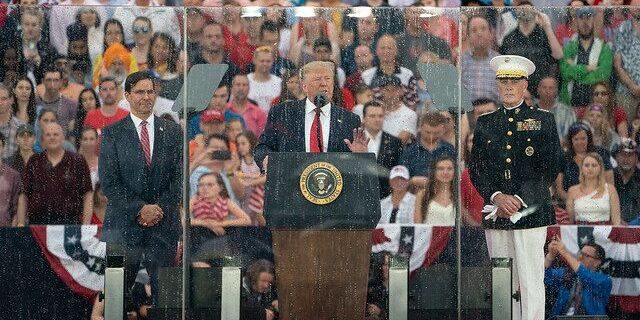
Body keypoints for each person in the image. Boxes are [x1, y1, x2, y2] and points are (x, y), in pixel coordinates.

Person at [469, 55, 562, 320]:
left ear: (525, 84)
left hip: (531, 211)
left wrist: (518, 199)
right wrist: (497, 197)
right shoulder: (486, 123)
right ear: (497, 85)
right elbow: (477, 168)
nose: (509, 86)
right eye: (503, 81)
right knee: (502, 279)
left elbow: (551, 166)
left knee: (531, 280)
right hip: (497, 212)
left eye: (514, 80)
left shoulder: (543, 120)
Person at [99, 70, 182, 306]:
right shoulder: (112, 133)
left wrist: (158, 210)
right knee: (116, 299)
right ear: (126, 95)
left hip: (163, 226)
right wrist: (140, 209)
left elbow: (178, 179)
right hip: (123, 226)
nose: (146, 97)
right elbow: (109, 182)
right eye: (139, 92)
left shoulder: (173, 132)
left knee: (166, 298)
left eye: (150, 91)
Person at [254, 61, 367, 172]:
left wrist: (360, 156)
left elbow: (356, 168)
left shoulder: (350, 119)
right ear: (304, 86)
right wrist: (265, 158)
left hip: (335, 186)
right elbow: (263, 146)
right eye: (317, 79)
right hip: (292, 184)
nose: (324, 83)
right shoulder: (282, 113)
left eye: (328, 79)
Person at [17, 123, 93, 225]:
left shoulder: (77, 161)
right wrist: (21, 224)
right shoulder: (34, 161)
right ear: (42, 139)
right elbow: (23, 195)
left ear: (63, 138)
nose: (52, 137)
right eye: (48, 135)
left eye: (56, 134)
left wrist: (86, 226)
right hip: (38, 227)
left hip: (70, 227)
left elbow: (88, 194)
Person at [190, 172, 251, 267]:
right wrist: (206, 223)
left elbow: (246, 220)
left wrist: (220, 224)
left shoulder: (226, 201)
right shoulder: (195, 200)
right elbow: (183, 220)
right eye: (200, 185)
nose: (204, 188)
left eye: (210, 184)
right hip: (199, 238)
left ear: (220, 187)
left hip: (220, 238)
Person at [559, 6, 613, 108]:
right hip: (570, 105)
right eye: (581, 18)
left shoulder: (604, 48)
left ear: (594, 20)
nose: (585, 22)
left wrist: (575, 69)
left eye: (588, 18)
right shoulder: (568, 47)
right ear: (576, 21)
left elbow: (603, 76)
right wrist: (588, 68)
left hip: (595, 109)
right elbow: (565, 73)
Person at [544, 238, 612, 317]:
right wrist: (550, 256)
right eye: (580, 253)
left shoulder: (605, 280)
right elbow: (544, 276)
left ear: (597, 262)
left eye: (586, 255)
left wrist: (565, 253)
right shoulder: (567, 274)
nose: (580, 257)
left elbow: (586, 276)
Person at [362, 101, 403, 198]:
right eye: (372, 116)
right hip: (360, 195)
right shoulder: (355, 140)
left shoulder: (394, 142)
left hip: (385, 196)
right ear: (363, 118)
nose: (377, 120)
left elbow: (398, 170)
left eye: (380, 116)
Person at [566, 152, 621, 225]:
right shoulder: (572, 191)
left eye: (594, 165)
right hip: (580, 234)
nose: (590, 168)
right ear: (582, 168)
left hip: (605, 234)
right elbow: (569, 223)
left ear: (600, 168)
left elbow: (616, 222)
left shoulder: (610, 189)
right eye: (586, 165)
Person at [236, 131, 267, 226]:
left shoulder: (258, 160)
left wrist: (250, 182)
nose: (240, 147)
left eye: (243, 143)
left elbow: (267, 176)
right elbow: (236, 175)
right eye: (238, 144)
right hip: (244, 199)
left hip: (259, 197)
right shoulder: (238, 161)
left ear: (251, 143)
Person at [414, 156, 456, 225]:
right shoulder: (422, 194)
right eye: (440, 169)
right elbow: (418, 226)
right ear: (434, 172)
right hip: (429, 235)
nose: (445, 172)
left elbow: (465, 221)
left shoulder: (458, 194)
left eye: (449, 169)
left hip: (453, 235)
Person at [612, 140, 640, 224]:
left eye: (630, 155)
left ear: (636, 158)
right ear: (616, 157)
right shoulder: (608, 177)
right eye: (623, 154)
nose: (626, 159)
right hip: (612, 226)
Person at [0, 132, 21, 227]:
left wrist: (11, 233)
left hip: (5, 231)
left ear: (3, 148)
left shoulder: (13, 175)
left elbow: (16, 208)